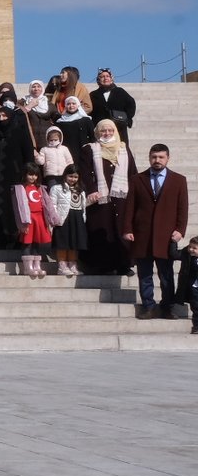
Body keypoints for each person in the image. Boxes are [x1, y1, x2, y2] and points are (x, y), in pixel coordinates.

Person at [120, 144, 188, 319]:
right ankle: (148, 306)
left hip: (166, 237)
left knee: (166, 276)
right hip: (142, 235)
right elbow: (130, 206)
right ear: (149, 158)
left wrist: (180, 230)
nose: (157, 160)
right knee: (145, 275)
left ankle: (167, 307)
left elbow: (182, 208)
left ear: (167, 158)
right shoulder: (137, 179)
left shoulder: (179, 180)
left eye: (161, 157)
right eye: (154, 157)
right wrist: (127, 228)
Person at [83, 118, 137, 275]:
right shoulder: (90, 149)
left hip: (121, 198)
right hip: (100, 198)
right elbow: (85, 173)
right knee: (101, 229)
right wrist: (91, 190)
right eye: (103, 131)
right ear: (97, 132)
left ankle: (124, 264)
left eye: (110, 130)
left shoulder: (123, 149)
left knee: (121, 229)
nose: (107, 133)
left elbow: (132, 172)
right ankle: (102, 265)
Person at [13, 164, 53, 279]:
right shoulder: (21, 188)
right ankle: (28, 267)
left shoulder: (40, 188)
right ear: (25, 174)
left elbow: (46, 204)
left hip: (40, 218)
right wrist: (23, 223)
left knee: (37, 242)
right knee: (27, 242)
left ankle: (37, 266)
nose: (33, 177)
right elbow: (19, 207)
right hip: (28, 219)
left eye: (35, 175)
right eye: (30, 174)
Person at [48, 165, 89, 277]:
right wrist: (54, 218)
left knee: (74, 242)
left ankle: (72, 264)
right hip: (63, 218)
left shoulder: (81, 190)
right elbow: (52, 205)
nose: (73, 179)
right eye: (70, 176)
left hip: (77, 217)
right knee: (63, 242)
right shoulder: (56, 188)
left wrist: (83, 217)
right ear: (65, 176)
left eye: (75, 177)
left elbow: (83, 205)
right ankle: (62, 266)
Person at [88, 67, 136, 141]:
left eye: (107, 76)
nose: (105, 78)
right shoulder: (93, 95)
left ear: (111, 79)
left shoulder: (120, 91)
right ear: (98, 80)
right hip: (101, 129)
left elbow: (131, 105)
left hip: (119, 128)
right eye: (102, 77)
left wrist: (127, 119)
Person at [178, 235, 198, 334]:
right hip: (194, 288)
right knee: (196, 308)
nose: (191, 250)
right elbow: (175, 254)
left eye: (194, 248)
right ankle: (196, 327)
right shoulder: (189, 259)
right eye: (190, 247)